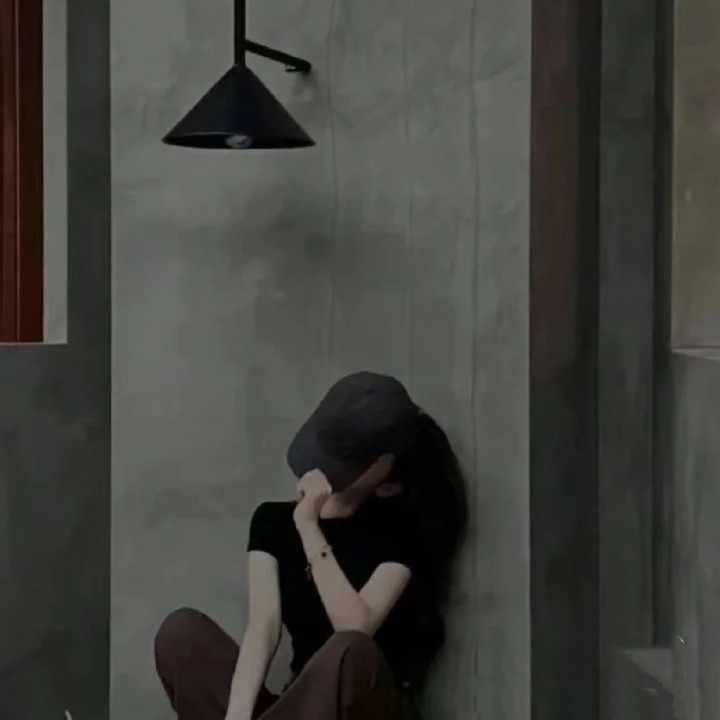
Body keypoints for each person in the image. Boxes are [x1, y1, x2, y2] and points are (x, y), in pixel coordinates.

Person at [154, 371, 468, 720]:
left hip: (366, 707)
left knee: (347, 652)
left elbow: (354, 628)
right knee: (182, 635)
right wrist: (237, 715)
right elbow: (263, 627)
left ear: (387, 477)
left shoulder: (403, 531)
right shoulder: (272, 522)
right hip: (299, 708)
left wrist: (308, 527)